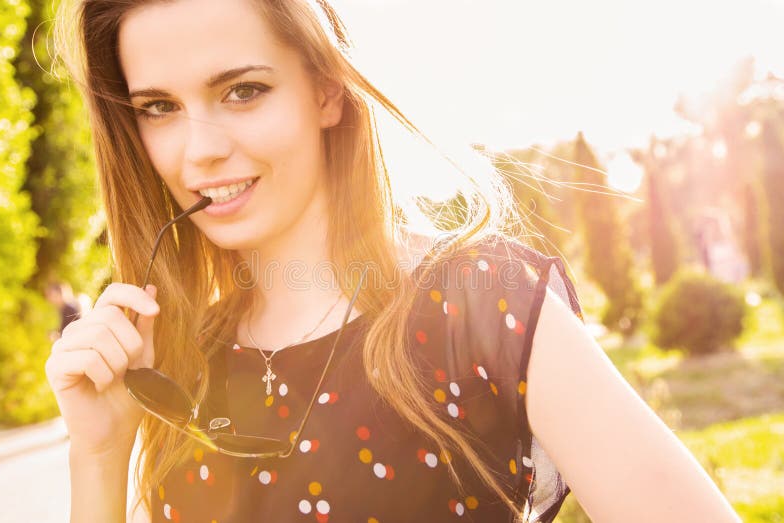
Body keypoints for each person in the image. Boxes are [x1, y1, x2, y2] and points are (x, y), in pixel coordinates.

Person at [44, 1, 741, 522]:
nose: (198, 151)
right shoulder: (180, 356)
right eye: (160, 107)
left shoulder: (477, 303)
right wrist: (100, 454)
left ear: (326, 88)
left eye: (243, 91)